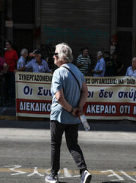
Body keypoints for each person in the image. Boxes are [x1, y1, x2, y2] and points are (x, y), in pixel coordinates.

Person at [45, 43, 91, 183]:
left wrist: (71, 109)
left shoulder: (58, 72)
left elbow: (59, 97)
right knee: (73, 144)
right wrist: (78, 108)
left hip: (59, 115)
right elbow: (85, 92)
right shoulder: (77, 71)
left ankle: (53, 175)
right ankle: (84, 171)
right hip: (73, 117)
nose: (53, 56)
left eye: (56, 54)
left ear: (62, 57)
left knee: (55, 144)